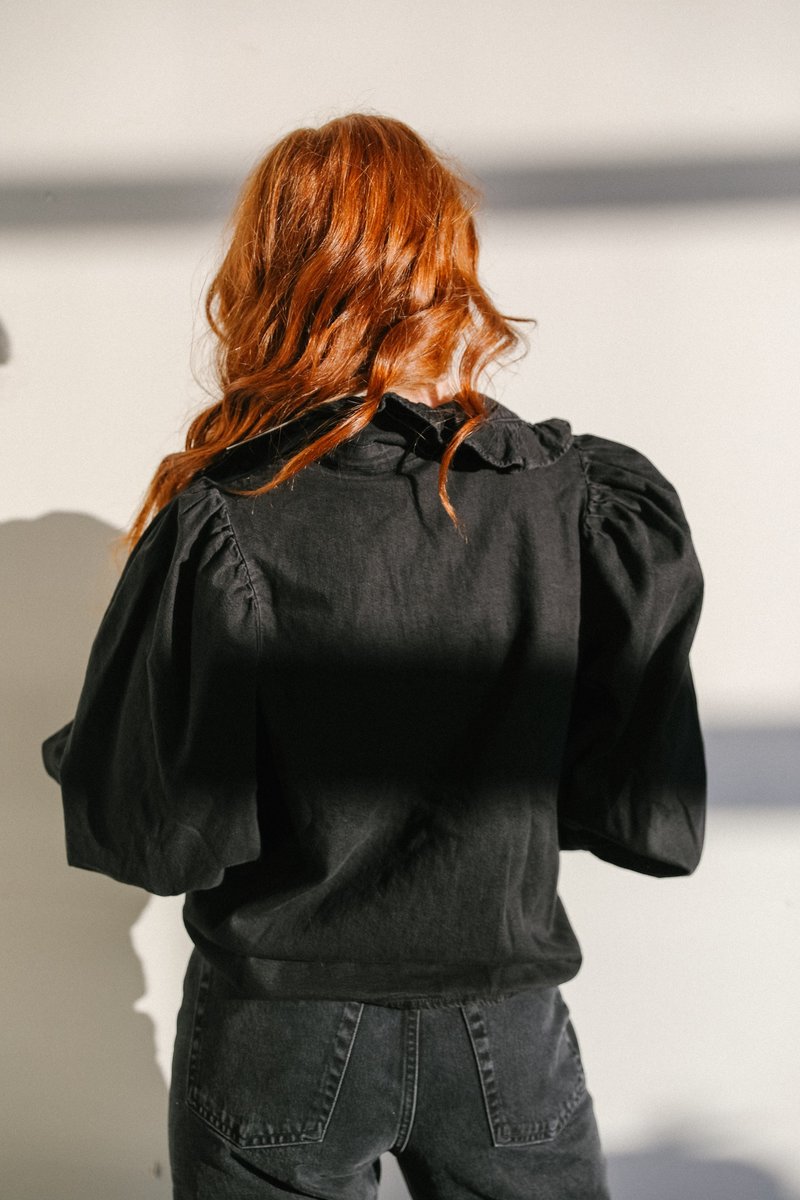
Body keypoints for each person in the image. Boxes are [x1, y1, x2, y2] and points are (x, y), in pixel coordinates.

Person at [41, 113, 706, 1200]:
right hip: (503, 1023)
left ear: (274, 273)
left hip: (279, 1022)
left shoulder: (228, 515)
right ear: (443, 261)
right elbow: (631, 770)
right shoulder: (577, 499)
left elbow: (158, 827)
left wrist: (92, 747)